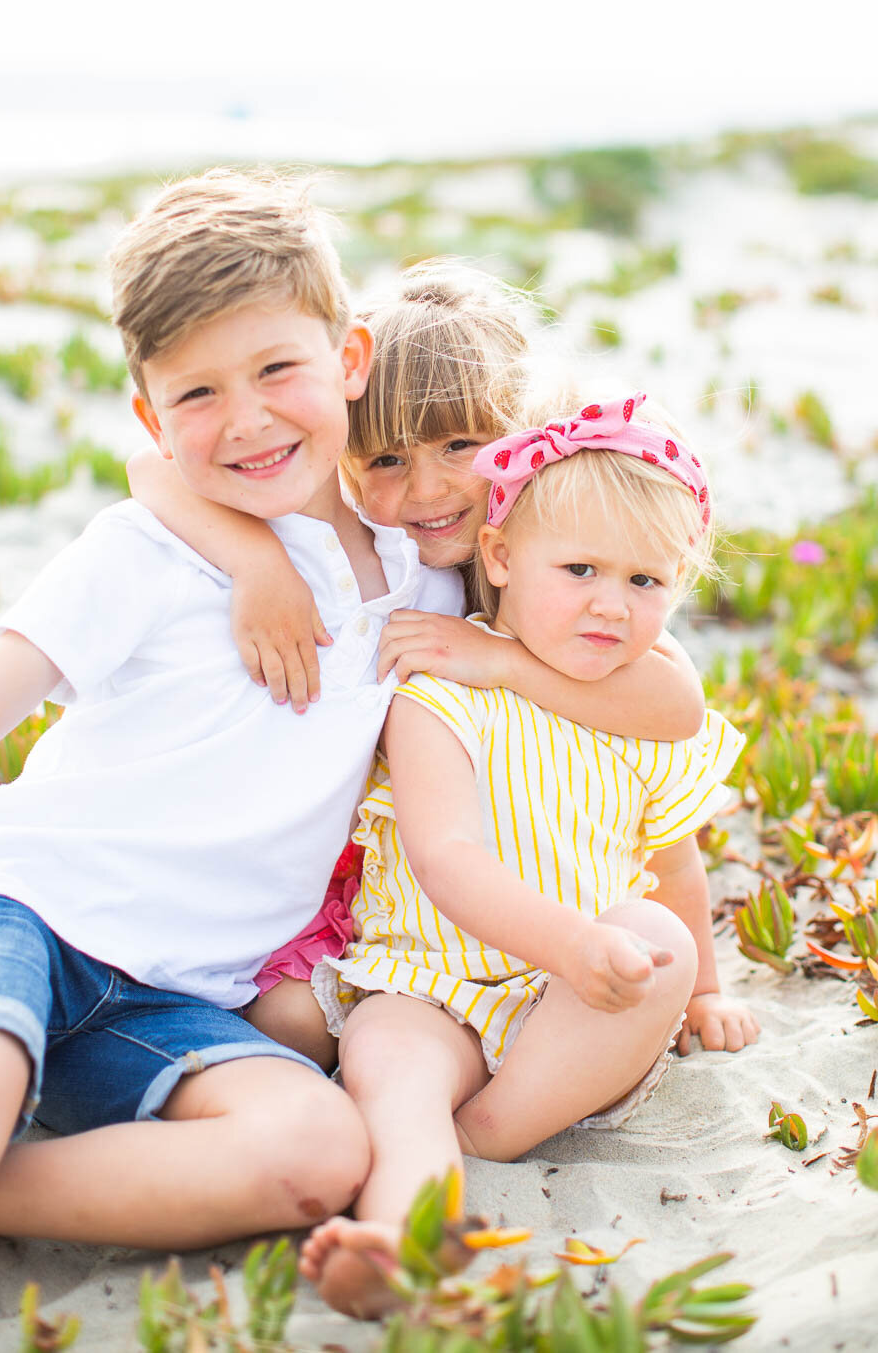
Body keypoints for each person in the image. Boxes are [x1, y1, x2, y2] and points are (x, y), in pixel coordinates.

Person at [0, 168, 469, 1249]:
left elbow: (586, 543)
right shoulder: (143, 551)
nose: (246, 420)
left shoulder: (424, 570)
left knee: (315, 1157)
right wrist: (246, 553)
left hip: (181, 998)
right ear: (153, 415)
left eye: (277, 369)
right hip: (26, 914)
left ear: (350, 360)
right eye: (198, 395)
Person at [127, 268, 708, 1071]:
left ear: (518, 434)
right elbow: (150, 467)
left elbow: (678, 704)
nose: (427, 488)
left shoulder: (558, 547)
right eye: (389, 458)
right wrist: (258, 563)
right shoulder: (362, 533)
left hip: (533, 862)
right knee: (290, 1018)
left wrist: (499, 660)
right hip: (393, 883)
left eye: (460, 447)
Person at [298, 386, 759, 1317]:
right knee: (395, 1063)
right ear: (501, 558)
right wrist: (570, 945)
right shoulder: (444, 689)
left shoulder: (638, 713)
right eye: (581, 569)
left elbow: (675, 863)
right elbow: (447, 857)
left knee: (654, 937)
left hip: (577, 1004)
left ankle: (495, 1134)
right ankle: (404, 1239)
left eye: (645, 582)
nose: (612, 606)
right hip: (433, 978)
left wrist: (704, 988)